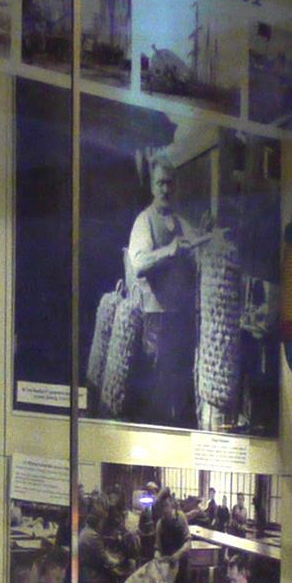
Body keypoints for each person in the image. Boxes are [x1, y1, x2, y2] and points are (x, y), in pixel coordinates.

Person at [115, 153, 197, 425]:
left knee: (180, 388)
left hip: (180, 318)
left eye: (170, 183)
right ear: (152, 186)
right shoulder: (144, 220)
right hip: (155, 320)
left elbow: (199, 248)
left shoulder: (181, 222)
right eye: (161, 183)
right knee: (155, 391)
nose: (166, 189)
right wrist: (170, 251)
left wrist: (205, 237)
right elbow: (138, 263)